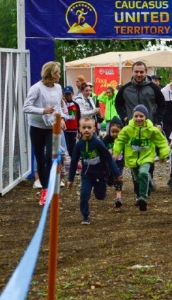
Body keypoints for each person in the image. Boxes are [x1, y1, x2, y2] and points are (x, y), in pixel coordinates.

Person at [115, 61, 166, 190]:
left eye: (141, 72)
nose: (139, 74)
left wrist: (158, 122)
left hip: (149, 127)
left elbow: (162, 105)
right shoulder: (125, 88)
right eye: (136, 72)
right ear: (132, 72)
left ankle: (148, 181)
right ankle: (138, 188)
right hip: (132, 128)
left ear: (146, 72)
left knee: (148, 156)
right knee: (133, 156)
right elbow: (118, 104)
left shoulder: (154, 88)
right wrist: (124, 117)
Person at [23, 61, 66, 205]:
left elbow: (59, 106)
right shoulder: (36, 88)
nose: (59, 75)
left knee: (50, 157)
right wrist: (43, 111)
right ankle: (45, 190)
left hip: (52, 126)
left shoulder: (58, 87)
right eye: (57, 72)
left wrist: (62, 119)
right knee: (40, 158)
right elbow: (26, 107)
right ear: (51, 74)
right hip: (36, 126)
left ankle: (53, 188)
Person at [113, 106, 170, 211]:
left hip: (146, 157)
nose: (138, 118)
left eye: (141, 116)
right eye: (136, 116)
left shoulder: (151, 130)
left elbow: (161, 141)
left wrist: (163, 154)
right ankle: (149, 182)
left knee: (143, 173)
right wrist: (116, 152)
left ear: (146, 117)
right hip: (132, 158)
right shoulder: (127, 129)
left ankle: (143, 197)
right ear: (132, 117)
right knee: (137, 179)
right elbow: (120, 140)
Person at [67, 116, 122, 225]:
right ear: (80, 129)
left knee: (100, 196)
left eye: (89, 127)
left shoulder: (98, 143)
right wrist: (70, 179)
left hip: (101, 174)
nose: (86, 130)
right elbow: (74, 161)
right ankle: (85, 216)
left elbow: (108, 158)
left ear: (94, 129)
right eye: (84, 127)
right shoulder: (79, 145)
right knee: (84, 194)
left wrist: (117, 173)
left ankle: (103, 187)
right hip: (87, 174)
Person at [102, 116, 126, 208]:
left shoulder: (123, 140)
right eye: (113, 132)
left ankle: (118, 197)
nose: (115, 134)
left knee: (118, 178)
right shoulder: (107, 139)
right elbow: (101, 148)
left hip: (119, 163)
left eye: (117, 132)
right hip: (108, 164)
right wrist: (107, 151)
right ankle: (109, 180)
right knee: (109, 179)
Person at [62, 86, 81, 156]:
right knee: (65, 147)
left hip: (73, 130)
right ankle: (67, 162)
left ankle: (72, 162)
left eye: (69, 94)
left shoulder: (75, 105)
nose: (67, 96)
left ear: (72, 94)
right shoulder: (62, 104)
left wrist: (79, 131)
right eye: (66, 94)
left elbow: (77, 117)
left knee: (72, 147)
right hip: (65, 130)